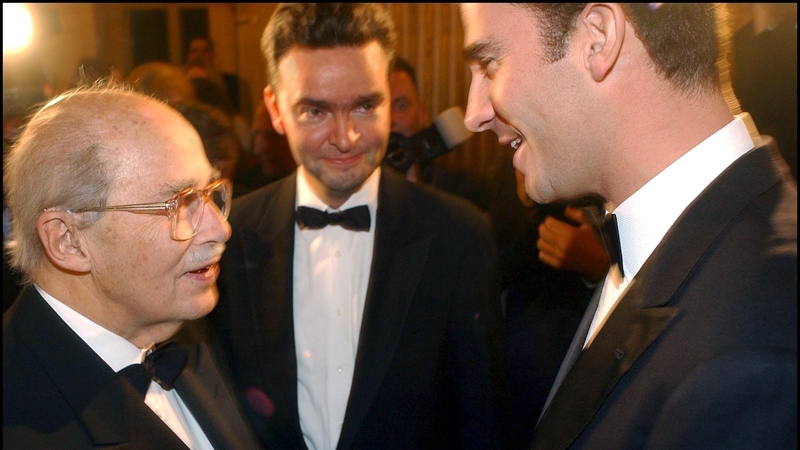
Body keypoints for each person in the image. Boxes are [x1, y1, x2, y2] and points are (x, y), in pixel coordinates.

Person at [461, 3, 796, 449]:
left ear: (597, 38)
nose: (473, 113)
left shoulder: (748, 355)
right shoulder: (687, 245)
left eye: (489, 65)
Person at [208, 4, 509, 450]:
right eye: (315, 111)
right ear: (274, 109)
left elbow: (483, 423)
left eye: (366, 106)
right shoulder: (227, 238)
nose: (345, 138)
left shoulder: (459, 237)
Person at [3, 84, 263, 449]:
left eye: (211, 193)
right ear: (68, 240)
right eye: (179, 203)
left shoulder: (193, 335)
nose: (221, 228)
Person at [731, 3, 797, 180]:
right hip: (758, 146)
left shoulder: (789, 34)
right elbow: (743, 94)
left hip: (786, 144)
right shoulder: (742, 38)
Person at [185, 36, 243, 114]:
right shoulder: (180, 81)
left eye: (205, 51)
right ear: (189, 55)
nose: (200, 55)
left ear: (212, 53)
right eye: (195, 51)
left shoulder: (230, 82)